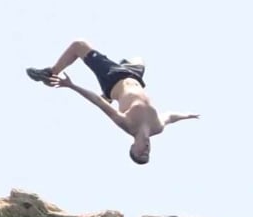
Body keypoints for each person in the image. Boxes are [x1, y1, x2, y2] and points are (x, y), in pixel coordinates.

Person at [26, 41, 199, 164]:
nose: (146, 151)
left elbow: (98, 102)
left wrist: (72, 86)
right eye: (147, 155)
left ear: (133, 147)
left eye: (141, 154)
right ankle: (119, 73)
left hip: (112, 78)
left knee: (78, 45)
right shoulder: (157, 127)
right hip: (134, 75)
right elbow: (171, 116)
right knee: (139, 59)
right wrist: (188, 115)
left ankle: (50, 73)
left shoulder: (128, 124)